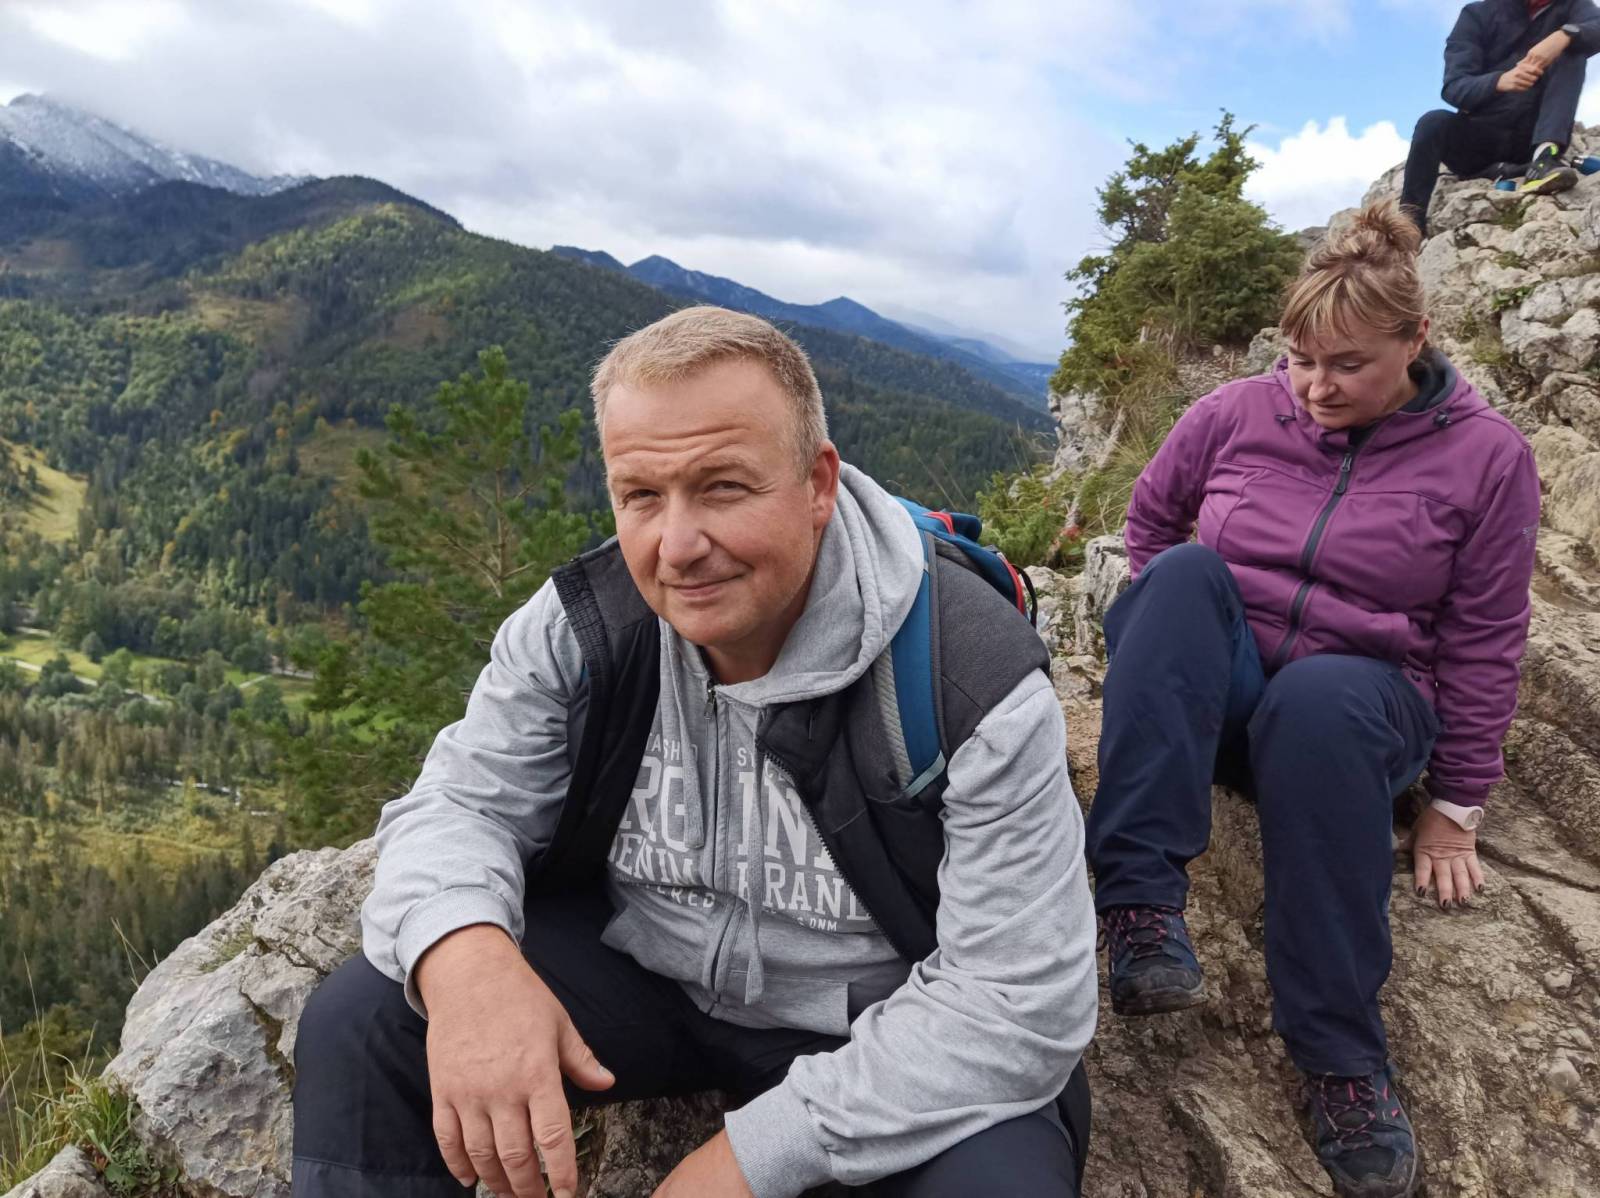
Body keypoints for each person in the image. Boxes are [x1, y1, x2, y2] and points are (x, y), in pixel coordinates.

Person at [291, 306, 1098, 1198]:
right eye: (641, 495)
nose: (677, 547)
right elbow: (462, 802)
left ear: (818, 484)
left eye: (722, 488)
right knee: (366, 1023)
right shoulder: (586, 628)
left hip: (878, 1015)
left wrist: (744, 1162)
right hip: (648, 975)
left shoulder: (966, 677)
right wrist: (467, 960)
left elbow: (1015, 1000)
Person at [1084, 200, 1540, 1198]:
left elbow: (1484, 637)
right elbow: (1152, 520)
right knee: (1181, 577)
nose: (1315, 387)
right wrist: (1177, 652)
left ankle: (1340, 1061)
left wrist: (1457, 803)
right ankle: (1140, 909)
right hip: (1233, 694)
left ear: (1415, 341)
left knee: (1322, 698)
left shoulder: (1487, 458)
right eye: (1299, 360)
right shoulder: (1236, 412)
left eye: (1346, 365)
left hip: (1357, 710)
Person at [1401, 0, 1600, 234]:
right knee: (1432, 123)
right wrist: (1499, 81)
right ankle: (1408, 225)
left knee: (1571, 51)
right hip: (1479, 141)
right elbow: (1454, 87)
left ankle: (1545, 158)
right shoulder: (1477, 14)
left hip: (1531, 138)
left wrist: (1565, 35)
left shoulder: (1573, 6)